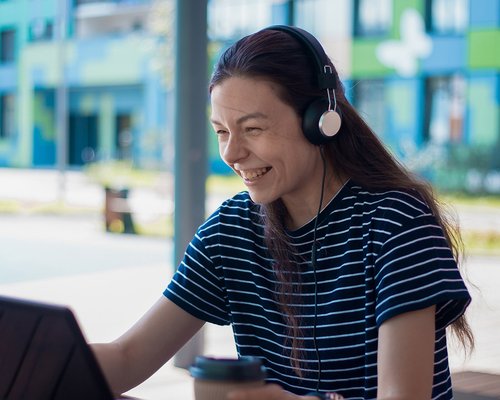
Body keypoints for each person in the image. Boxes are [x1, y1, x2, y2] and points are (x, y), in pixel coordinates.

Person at [92, 25, 474, 400]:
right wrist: (45, 355)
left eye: (253, 129)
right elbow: (128, 358)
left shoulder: (397, 222)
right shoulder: (231, 231)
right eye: (222, 131)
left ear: (320, 122)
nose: (231, 153)